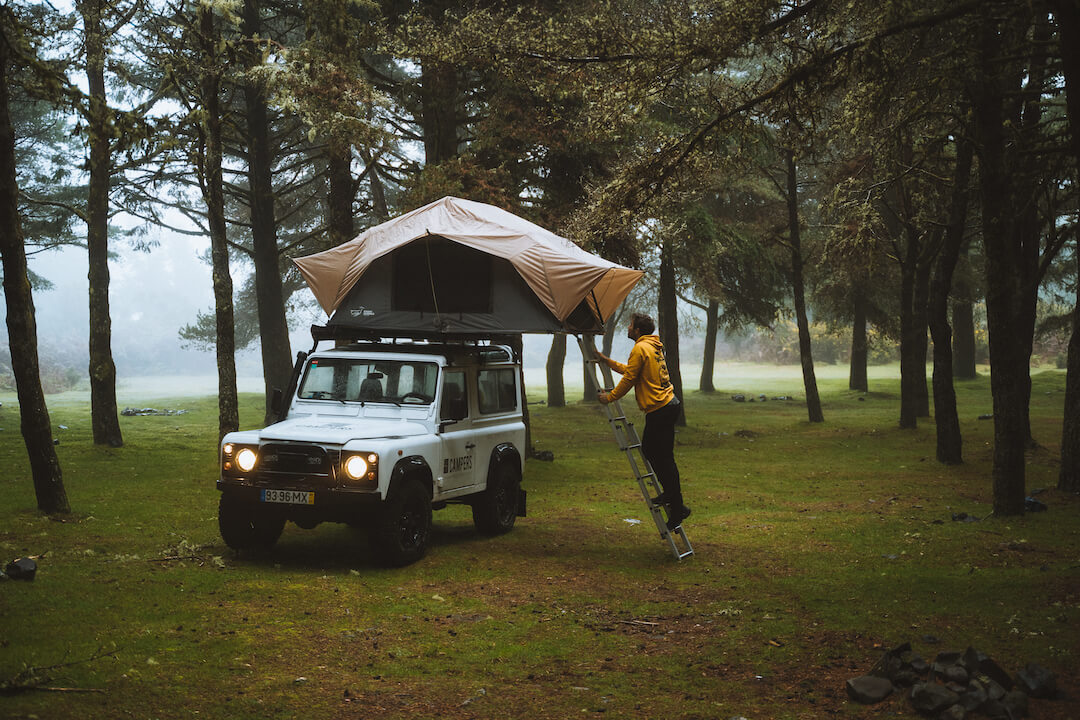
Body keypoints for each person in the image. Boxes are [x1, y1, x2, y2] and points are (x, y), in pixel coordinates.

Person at [596, 313, 690, 531]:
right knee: (661, 456)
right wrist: (607, 361)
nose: (628, 328)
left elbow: (629, 379)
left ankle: (677, 507)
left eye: (630, 325)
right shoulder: (653, 346)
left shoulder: (640, 348)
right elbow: (633, 372)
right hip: (669, 404)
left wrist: (609, 398)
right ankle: (675, 501)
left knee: (656, 454)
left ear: (637, 330)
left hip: (661, 408)